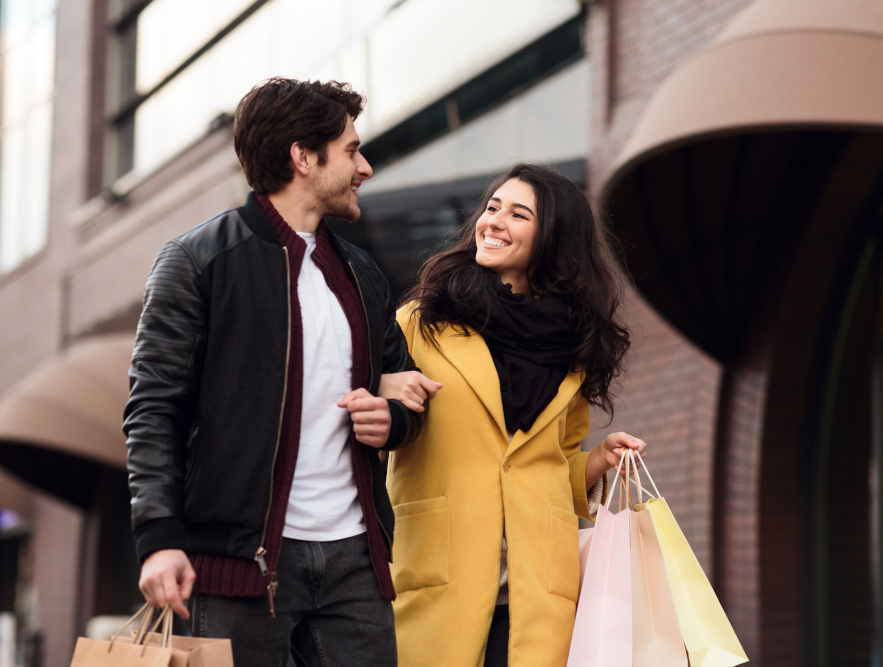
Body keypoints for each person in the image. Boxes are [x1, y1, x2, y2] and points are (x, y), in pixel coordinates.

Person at [123, 77, 423, 667]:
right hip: (241, 566)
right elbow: (154, 407)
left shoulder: (362, 274)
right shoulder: (199, 260)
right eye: (352, 150)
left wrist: (392, 419)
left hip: (355, 564)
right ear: (303, 158)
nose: (365, 166)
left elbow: (408, 390)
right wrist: (157, 538)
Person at [378, 163, 646, 666]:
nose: (493, 220)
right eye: (492, 207)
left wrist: (597, 463)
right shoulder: (421, 322)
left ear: (554, 239)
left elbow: (550, 465)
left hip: (538, 593)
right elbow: (373, 433)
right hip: (441, 579)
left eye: (518, 213)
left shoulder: (574, 348)